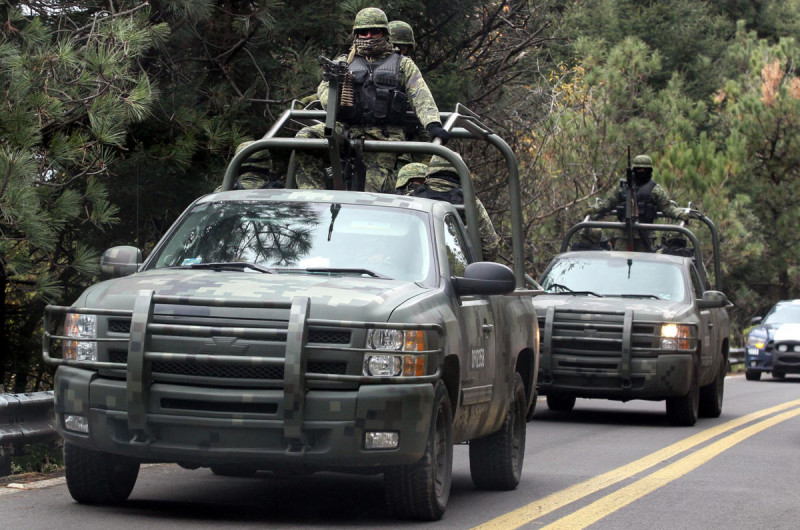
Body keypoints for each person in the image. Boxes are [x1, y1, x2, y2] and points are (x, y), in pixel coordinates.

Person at [293, 7, 448, 193]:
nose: (368, 36)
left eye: (374, 31)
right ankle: (314, 198)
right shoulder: (344, 62)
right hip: (347, 129)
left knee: (370, 190)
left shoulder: (403, 64)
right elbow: (325, 89)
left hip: (385, 136)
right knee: (305, 138)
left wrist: (433, 124)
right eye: (363, 32)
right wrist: (337, 95)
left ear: (384, 33)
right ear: (356, 34)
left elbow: (420, 95)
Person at [583, 154, 689, 251]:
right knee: (620, 262)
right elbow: (609, 203)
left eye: (644, 169)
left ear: (649, 170)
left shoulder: (655, 190)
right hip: (623, 233)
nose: (641, 171)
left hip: (645, 233)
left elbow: (667, 207)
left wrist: (679, 214)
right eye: (639, 169)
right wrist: (594, 209)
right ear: (634, 170)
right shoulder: (623, 188)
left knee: (644, 265)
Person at [410, 155, 500, 261]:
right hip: (457, 270)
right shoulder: (470, 202)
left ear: (431, 170)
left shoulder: (412, 198)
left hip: (415, 268)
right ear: (459, 171)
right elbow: (491, 247)